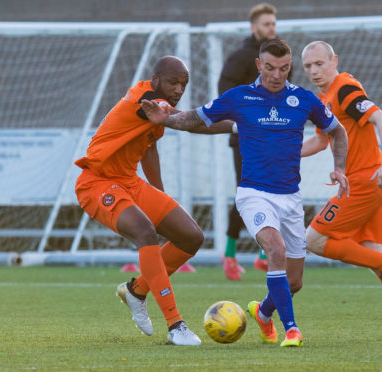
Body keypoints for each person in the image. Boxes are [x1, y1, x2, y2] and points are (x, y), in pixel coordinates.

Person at [141, 39, 349, 347]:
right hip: (254, 193)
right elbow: (194, 118)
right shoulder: (240, 97)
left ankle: (263, 313)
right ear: (258, 65)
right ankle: (291, 328)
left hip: (290, 198)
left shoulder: (304, 100)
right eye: (270, 68)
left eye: (283, 68)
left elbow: (337, 131)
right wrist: (166, 119)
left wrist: (340, 168)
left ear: (289, 66)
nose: (277, 75)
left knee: (294, 282)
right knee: (275, 251)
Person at [75, 56, 232, 346]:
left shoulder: (157, 108)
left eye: (183, 84)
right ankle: (176, 325)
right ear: (156, 79)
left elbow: (148, 150)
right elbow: (191, 123)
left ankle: (135, 291)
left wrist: (158, 194)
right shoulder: (146, 99)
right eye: (173, 82)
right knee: (146, 232)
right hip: (96, 182)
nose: (178, 89)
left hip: (129, 182)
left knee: (191, 237)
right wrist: (238, 126)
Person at [301, 41, 382, 337]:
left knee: (313, 239)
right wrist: (283, 153)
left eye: (319, 63)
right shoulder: (323, 99)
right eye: (308, 66)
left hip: (365, 182)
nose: (313, 70)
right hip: (367, 184)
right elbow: (321, 142)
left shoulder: (345, 89)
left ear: (334, 60)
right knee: (373, 251)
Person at [218, 2, 278, 280]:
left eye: (274, 23)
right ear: (254, 28)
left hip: (272, 137)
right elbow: (224, 91)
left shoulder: (278, 57)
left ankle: (264, 255)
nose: (272, 28)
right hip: (245, 138)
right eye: (267, 24)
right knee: (248, 193)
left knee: (272, 191)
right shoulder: (242, 57)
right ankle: (229, 255)